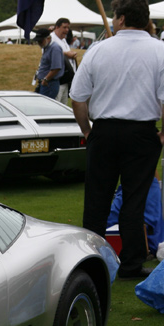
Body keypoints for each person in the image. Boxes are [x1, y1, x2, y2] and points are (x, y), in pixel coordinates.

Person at [70, 0, 164, 279]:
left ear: (121, 19)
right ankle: (131, 264)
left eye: (114, 16)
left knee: (97, 199)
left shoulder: (98, 50)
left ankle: (92, 260)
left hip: (105, 131)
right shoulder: (160, 50)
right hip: (142, 133)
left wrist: (87, 130)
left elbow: (78, 99)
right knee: (135, 200)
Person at [51, 18, 79, 102]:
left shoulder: (63, 40)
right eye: (64, 27)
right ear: (57, 27)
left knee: (63, 105)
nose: (67, 30)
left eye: (68, 28)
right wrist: (67, 54)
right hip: (57, 79)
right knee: (56, 104)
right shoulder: (51, 38)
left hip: (65, 78)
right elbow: (49, 52)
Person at [34, 28, 64, 99]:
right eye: (37, 41)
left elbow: (56, 68)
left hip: (50, 83)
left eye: (40, 41)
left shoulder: (55, 48)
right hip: (46, 83)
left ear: (48, 38)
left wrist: (46, 79)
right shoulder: (47, 47)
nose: (39, 43)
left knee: (45, 106)